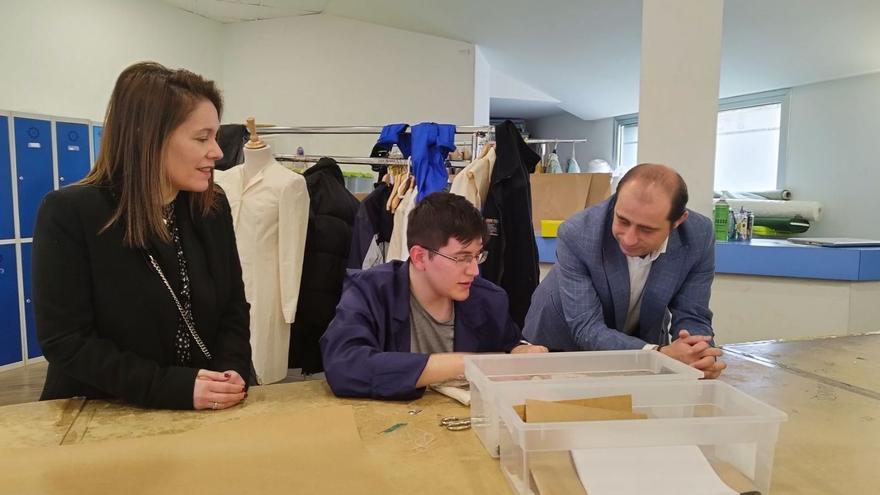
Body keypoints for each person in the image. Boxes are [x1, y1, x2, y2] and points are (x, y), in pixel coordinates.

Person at [33, 62, 252, 410]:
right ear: (148, 136)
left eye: (215, 135)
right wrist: (174, 388)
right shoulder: (71, 213)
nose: (218, 151)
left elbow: (233, 308)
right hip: (105, 414)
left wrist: (232, 371)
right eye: (201, 138)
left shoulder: (211, 206)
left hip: (204, 410)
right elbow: (68, 342)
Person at [320, 192, 547, 400]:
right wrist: (464, 364)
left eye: (477, 256)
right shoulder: (370, 291)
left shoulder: (488, 299)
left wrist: (521, 350)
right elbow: (344, 365)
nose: (474, 271)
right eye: (462, 258)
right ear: (419, 257)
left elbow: (508, 345)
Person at [523, 163, 726, 379]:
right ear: (614, 202)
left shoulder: (699, 236)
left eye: (647, 229)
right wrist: (659, 354)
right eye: (622, 220)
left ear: (677, 222)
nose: (629, 239)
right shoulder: (577, 233)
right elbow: (587, 328)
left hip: (643, 347)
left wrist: (700, 355)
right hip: (560, 345)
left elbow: (692, 314)